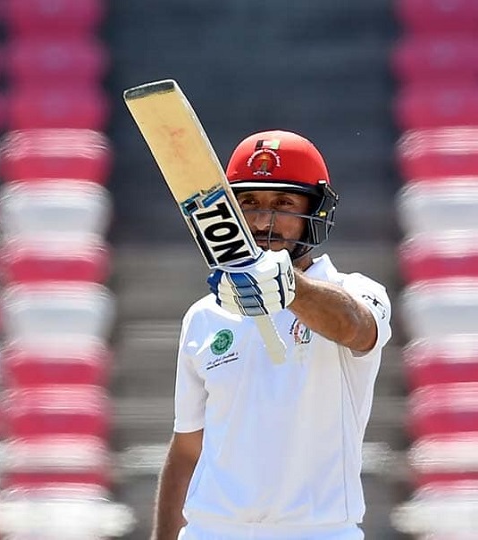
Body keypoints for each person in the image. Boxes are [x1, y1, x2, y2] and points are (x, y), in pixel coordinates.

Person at [151, 130, 392, 540]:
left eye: (283, 204)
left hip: (317, 532)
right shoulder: (205, 315)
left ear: (315, 211)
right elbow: (189, 448)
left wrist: (287, 286)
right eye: (249, 203)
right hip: (213, 532)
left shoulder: (359, 292)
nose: (263, 221)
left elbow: (355, 327)